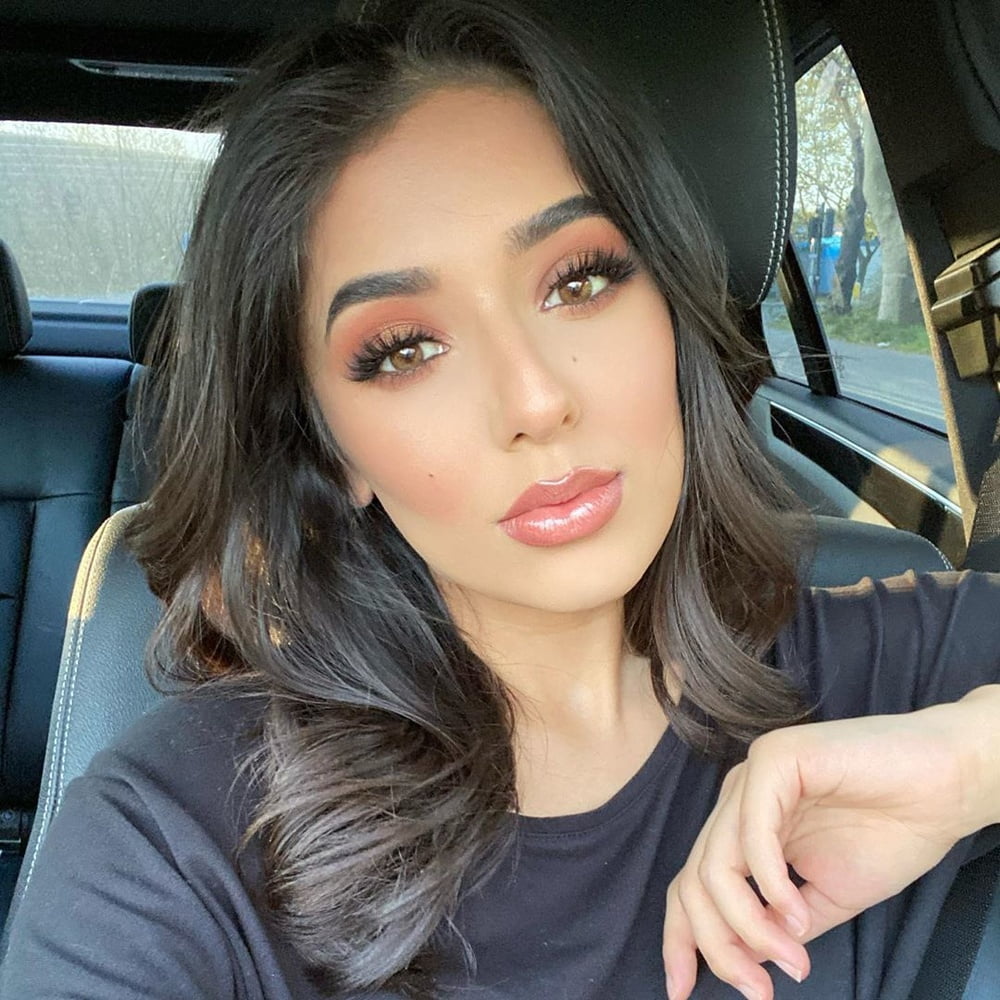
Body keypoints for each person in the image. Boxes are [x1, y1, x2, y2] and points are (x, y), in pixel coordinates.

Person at [1, 1, 999, 998]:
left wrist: (966, 766)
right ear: (332, 447)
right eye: (405, 349)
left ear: (668, 304)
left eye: (580, 282)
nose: (535, 400)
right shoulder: (169, 852)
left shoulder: (892, 672)